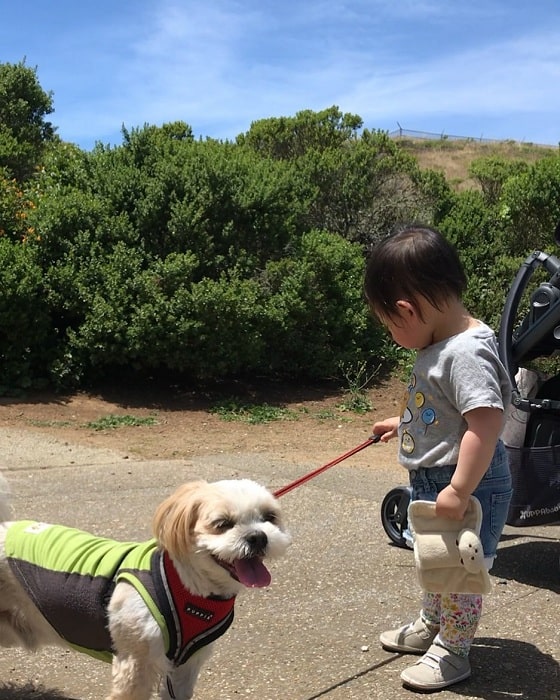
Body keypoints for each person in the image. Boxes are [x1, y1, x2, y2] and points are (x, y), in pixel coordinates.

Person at [364, 224, 513, 692]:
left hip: (466, 484)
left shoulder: (465, 353)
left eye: (389, 324)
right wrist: (403, 422)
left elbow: (484, 424)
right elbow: (446, 409)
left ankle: (454, 649)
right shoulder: (439, 345)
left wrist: (459, 488)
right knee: (434, 559)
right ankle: (433, 624)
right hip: (438, 479)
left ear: (407, 310)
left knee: (459, 572)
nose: (392, 333)